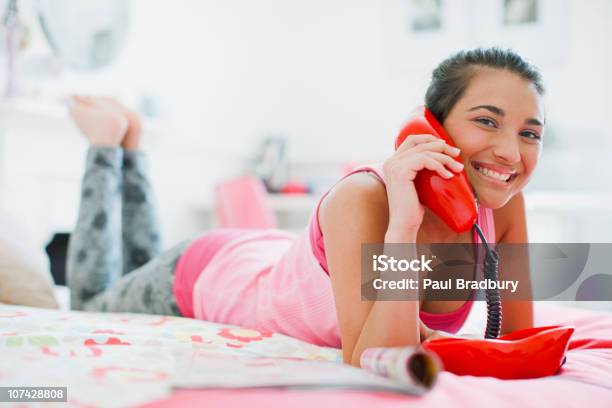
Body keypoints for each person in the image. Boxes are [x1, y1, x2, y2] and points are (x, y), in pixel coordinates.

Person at [66, 47, 543, 367]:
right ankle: (108, 146)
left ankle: (132, 143)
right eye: (487, 121)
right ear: (429, 126)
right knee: (90, 302)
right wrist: (403, 225)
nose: (510, 152)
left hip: (270, 259)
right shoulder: (364, 198)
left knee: (133, 263)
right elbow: (373, 355)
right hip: (208, 276)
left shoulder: (501, 205)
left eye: (529, 133)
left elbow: (520, 342)